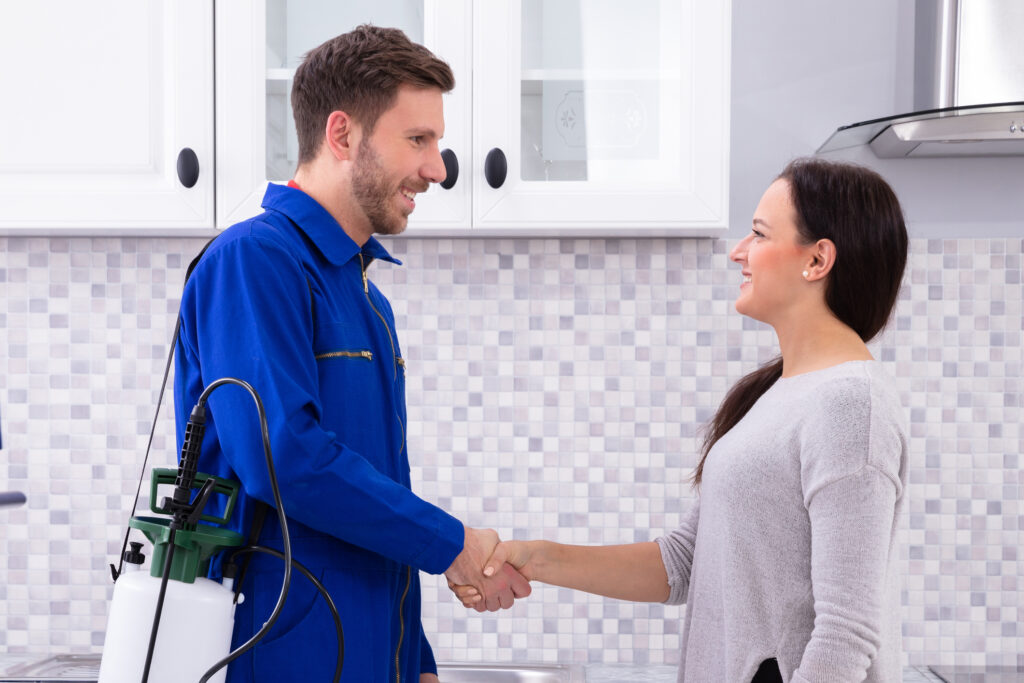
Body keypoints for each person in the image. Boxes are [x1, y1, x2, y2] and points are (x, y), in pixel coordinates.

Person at [452, 158, 910, 683]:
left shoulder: (851, 403)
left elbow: (847, 632)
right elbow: (685, 563)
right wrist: (537, 558)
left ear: (817, 260)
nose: (739, 251)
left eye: (759, 234)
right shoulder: (782, 395)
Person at [173, 25, 528, 683]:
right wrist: (452, 543)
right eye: (417, 139)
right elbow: (285, 459)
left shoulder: (365, 297)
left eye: (438, 142)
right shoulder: (255, 260)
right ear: (341, 135)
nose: (438, 168)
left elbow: (373, 496)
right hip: (279, 656)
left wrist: (412, 658)